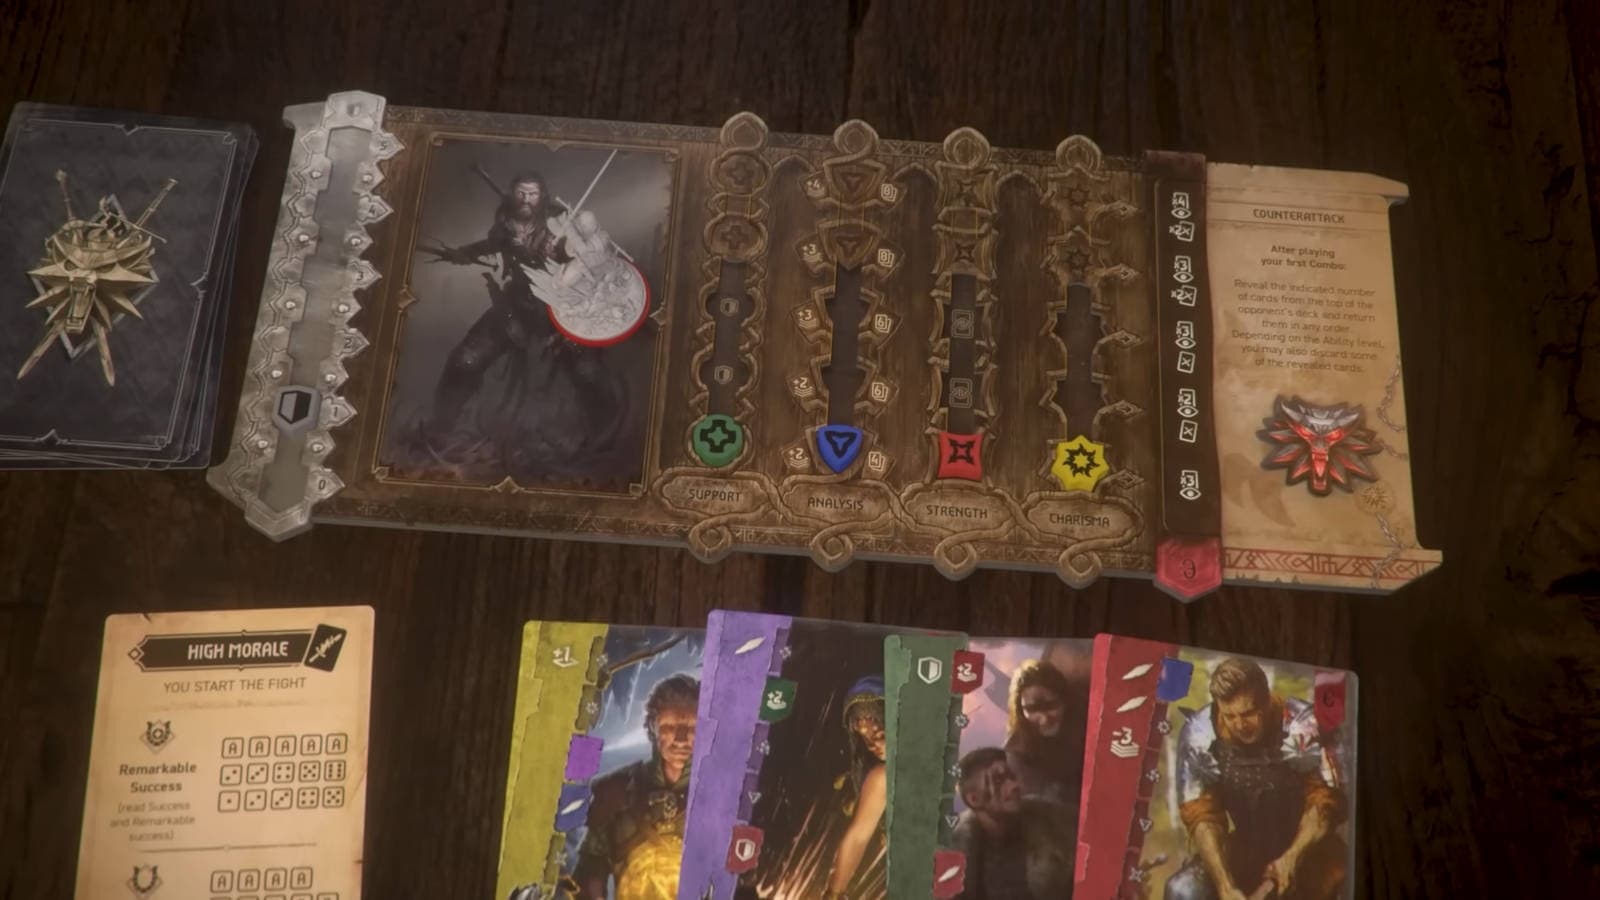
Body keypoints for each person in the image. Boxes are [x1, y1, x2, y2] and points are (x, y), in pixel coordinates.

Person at [415, 171, 629, 480]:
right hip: (517, 307)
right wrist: (464, 253)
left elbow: (593, 263)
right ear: (513, 194)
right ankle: (440, 431)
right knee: (466, 360)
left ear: (543, 196)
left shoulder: (562, 223)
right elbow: (493, 244)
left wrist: (563, 253)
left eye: (533, 194)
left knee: (588, 373)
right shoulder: (505, 222)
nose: (527, 200)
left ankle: (606, 441)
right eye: (521, 193)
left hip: (561, 311)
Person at [1164, 658, 1348, 900]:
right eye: (1229, 716)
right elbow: (1202, 815)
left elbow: (1324, 803)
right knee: (1183, 890)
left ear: (1265, 701)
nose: (1239, 725)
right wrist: (1225, 886)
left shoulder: (1304, 725)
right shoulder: (1200, 735)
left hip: (1311, 850)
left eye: (1248, 713)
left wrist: (1291, 858)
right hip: (1247, 849)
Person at [572, 674, 699, 900]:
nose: (681, 738)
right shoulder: (617, 791)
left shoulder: (722, 799)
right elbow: (590, 870)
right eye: (669, 726)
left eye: (691, 726)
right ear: (653, 727)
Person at [949, 747, 1076, 900]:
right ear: (974, 799)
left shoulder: (1049, 815)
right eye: (998, 780)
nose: (1013, 785)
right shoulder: (956, 853)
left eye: (1011, 776)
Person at [823, 676, 888, 900]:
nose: (872, 744)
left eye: (879, 733)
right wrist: (833, 895)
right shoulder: (882, 778)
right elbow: (857, 838)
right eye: (864, 737)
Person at [1003, 659, 1082, 806]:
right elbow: (1044, 807)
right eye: (1032, 709)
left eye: (1051, 705)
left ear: (1065, 700)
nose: (1044, 719)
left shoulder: (1080, 723)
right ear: (1020, 711)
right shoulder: (1017, 754)